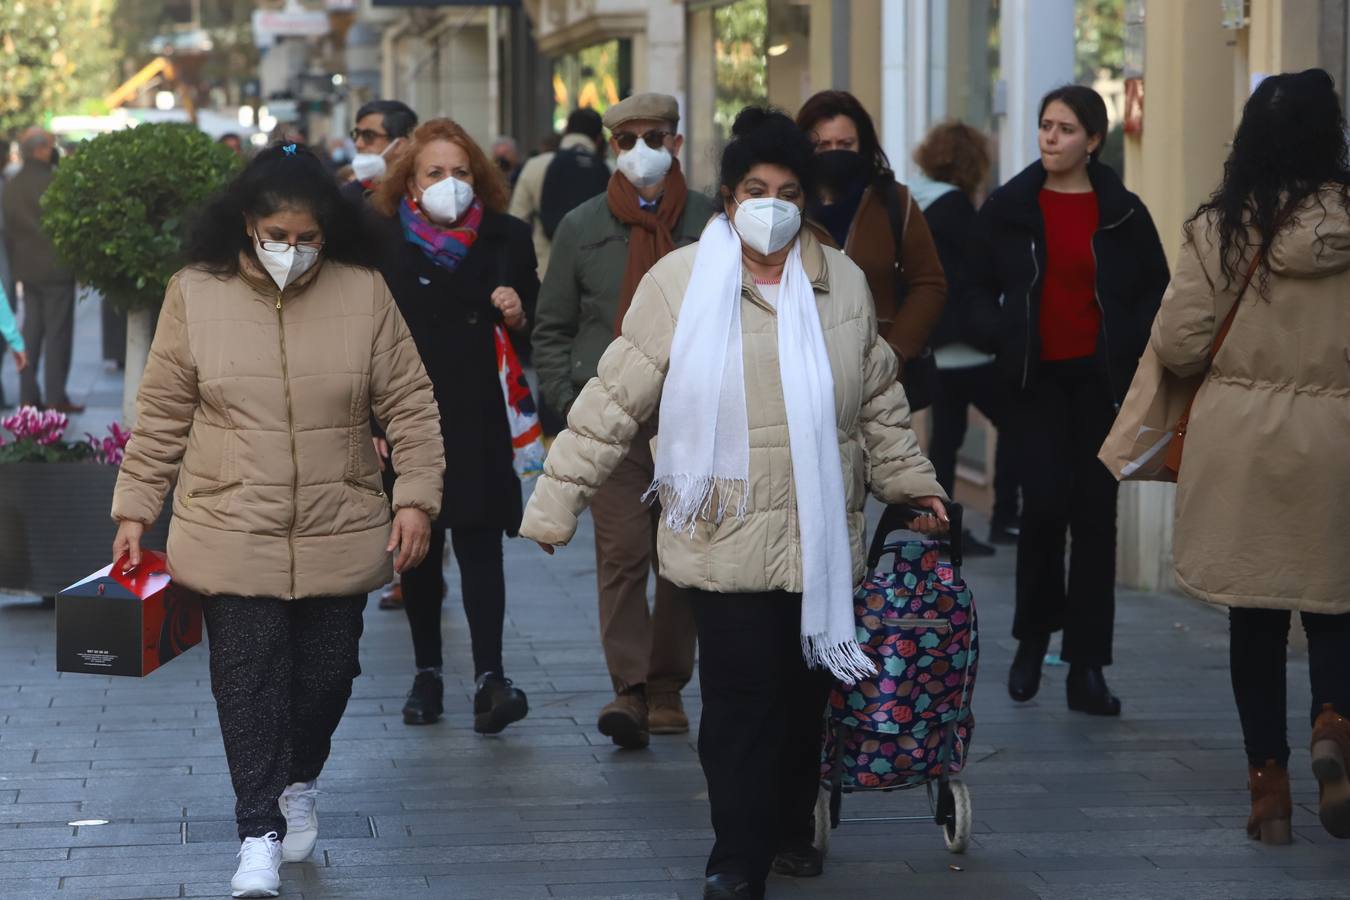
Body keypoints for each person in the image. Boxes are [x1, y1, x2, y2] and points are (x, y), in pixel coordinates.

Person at [519, 107, 947, 900]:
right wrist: (557, 500)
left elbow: (878, 403)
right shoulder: (680, 284)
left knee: (804, 699)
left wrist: (916, 486)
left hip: (823, 539)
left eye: (788, 190)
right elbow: (615, 395)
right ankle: (735, 857)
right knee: (743, 702)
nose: (773, 205)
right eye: (757, 188)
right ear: (727, 198)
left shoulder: (839, 281)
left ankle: (791, 822)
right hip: (726, 536)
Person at [109, 143, 445, 898]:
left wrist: (416, 496)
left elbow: (410, 405)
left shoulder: (364, 292)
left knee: (328, 677)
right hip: (229, 522)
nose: (292, 251)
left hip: (341, 520)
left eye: (308, 238)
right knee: (247, 681)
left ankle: (298, 779)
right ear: (247, 226)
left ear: (330, 233)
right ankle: (256, 830)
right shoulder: (195, 292)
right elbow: (163, 412)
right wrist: (135, 508)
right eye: (278, 236)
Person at [1152, 69, 1350, 845]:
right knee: (1337, 606)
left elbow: (1178, 342)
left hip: (1238, 443)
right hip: (1337, 441)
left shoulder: (1218, 229)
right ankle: (1333, 724)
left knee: (1256, 620)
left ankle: (1268, 791)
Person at [965, 85, 1169, 716]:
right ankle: (1032, 638)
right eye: (1044, 126)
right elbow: (970, 290)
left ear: (1094, 141)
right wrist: (1001, 335)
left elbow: (1155, 291)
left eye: (1064, 129)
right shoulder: (1010, 207)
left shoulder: (1123, 213)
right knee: (1044, 508)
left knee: (1095, 521)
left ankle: (1087, 667)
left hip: (1100, 385)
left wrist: (1129, 343)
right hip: (1034, 383)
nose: (1049, 138)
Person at [532, 93, 716, 749]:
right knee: (621, 555)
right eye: (629, 137)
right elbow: (552, 324)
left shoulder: (709, 220)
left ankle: (667, 686)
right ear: (612, 145)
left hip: (691, 417)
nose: (643, 148)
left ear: (676, 139)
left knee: (682, 556)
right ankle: (630, 690)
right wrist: (567, 392)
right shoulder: (581, 225)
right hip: (611, 416)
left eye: (656, 135)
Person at [370, 118, 538, 734]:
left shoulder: (506, 238)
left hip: (480, 417)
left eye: (461, 172)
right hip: (409, 418)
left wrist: (519, 312)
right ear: (410, 183)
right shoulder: (385, 244)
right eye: (435, 173)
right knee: (419, 547)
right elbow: (365, 340)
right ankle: (427, 673)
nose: (450, 183)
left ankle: (491, 675)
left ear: (481, 177)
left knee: (481, 545)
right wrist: (371, 421)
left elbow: (536, 321)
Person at [795, 90, 947, 402]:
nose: (834, 153)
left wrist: (895, 353)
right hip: (805, 377)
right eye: (822, 145)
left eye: (846, 144)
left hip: (880, 384)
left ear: (863, 145)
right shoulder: (789, 206)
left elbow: (928, 283)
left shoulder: (894, 202)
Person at [911, 121, 1017, 555]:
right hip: (967, 345)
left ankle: (939, 528)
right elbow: (973, 276)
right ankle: (1006, 518)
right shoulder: (957, 210)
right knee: (1016, 420)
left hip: (937, 343)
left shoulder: (917, 203)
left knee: (946, 437)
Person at [2, 128, 82, 414]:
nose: (53, 150)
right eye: (49, 145)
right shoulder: (55, 182)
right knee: (58, 334)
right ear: (39, 150)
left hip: (26, 269)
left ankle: (27, 395)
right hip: (56, 269)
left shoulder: (11, 184)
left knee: (31, 332)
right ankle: (55, 396)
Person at [509, 108, 607, 278]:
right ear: (599, 140)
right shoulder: (607, 170)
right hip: (594, 275)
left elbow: (516, 221)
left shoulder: (535, 166)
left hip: (546, 272)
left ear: (566, 132)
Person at [346, 99, 418, 202]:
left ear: (399, 145)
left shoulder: (420, 193)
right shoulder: (347, 198)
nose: (358, 144)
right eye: (356, 134)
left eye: (369, 136)